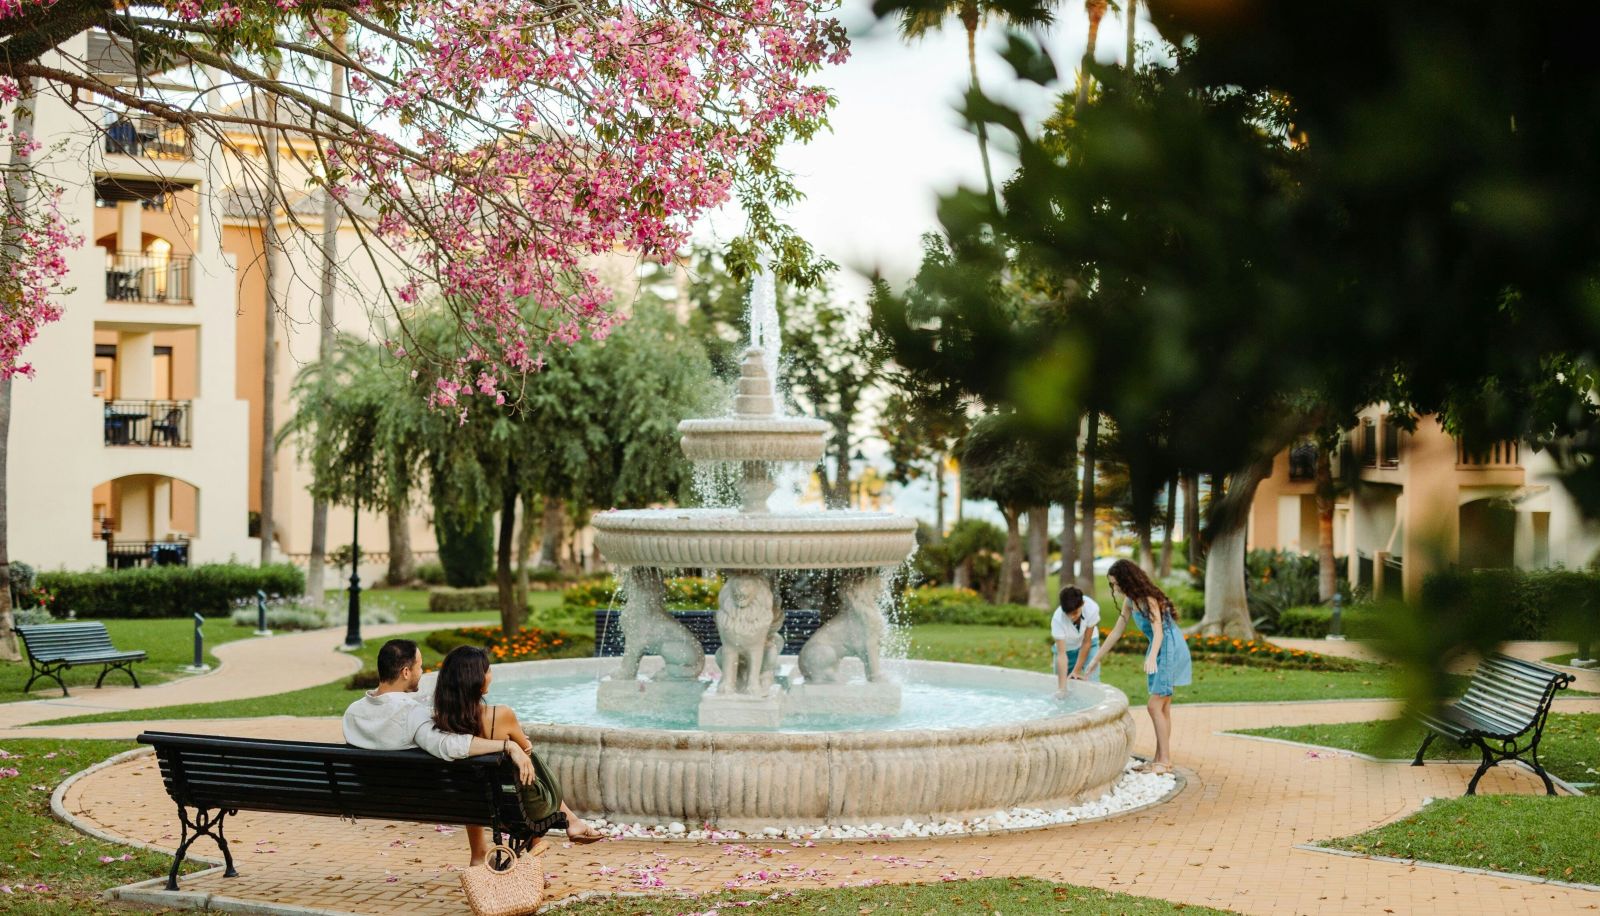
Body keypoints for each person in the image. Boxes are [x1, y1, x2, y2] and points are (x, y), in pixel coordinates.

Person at [342, 639, 541, 864]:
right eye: (419, 667)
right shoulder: (412, 713)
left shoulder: (352, 713)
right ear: (405, 672)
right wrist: (508, 745)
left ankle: (479, 853)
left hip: (369, 797)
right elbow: (449, 746)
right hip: (419, 799)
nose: (422, 672)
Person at [433, 644, 603, 858]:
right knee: (529, 757)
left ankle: (478, 855)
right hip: (520, 809)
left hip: (468, 805)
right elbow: (527, 752)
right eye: (487, 670)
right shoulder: (501, 715)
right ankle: (570, 823)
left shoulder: (439, 723)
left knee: (478, 780)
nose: (490, 675)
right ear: (476, 679)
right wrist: (518, 746)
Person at [1080, 560, 1192, 774]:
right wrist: (1096, 659)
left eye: (1115, 583)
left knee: (1154, 705)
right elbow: (1116, 632)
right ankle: (1160, 759)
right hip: (1160, 648)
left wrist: (1151, 657)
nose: (1114, 588)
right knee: (1163, 706)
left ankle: (1164, 761)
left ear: (1126, 580)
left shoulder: (1148, 599)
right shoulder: (1131, 601)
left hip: (1168, 647)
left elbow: (1158, 631)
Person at [1051, 586, 1101, 698]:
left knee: (1093, 682)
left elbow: (1086, 642)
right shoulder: (1057, 619)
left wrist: (1077, 670)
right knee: (1061, 686)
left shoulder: (1092, 608)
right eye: (1068, 613)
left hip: (1090, 645)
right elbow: (1061, 654)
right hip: (1066, 650)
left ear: (1082, 604)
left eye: (1075, 613)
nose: (1071, 617)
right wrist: (1062, 689)